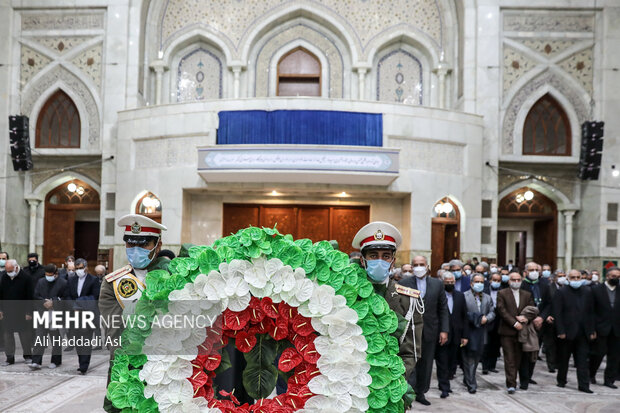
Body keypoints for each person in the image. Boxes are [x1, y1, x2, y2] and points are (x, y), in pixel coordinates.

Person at [99, 214, 170, 412]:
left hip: (169, 367)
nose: (135, 250)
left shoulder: (175, 277)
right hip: (129, 366)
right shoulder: (112, 283)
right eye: (130, 245)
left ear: (158, 244)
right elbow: (116, 329)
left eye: (143, 244)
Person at [352, 222, 422, 380]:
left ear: (393, 261)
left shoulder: (408, 299)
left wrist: (392, 381)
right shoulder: (347, 293)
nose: (379, 260)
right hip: (351, 381)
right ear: (363, 261)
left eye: (386, 256)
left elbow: (411, 352)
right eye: (373, 255)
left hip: (389, 382)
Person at [405, 255, 449, 406]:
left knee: (427, 363)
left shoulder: (437, 284)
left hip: (430, 330)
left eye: (421, 264)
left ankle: (421, 392)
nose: (419, 267)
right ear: (411, 267)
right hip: (410, 331)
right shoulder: (404, 283)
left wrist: (444, 330)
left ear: (427, 266)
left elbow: (443, 308)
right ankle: (408, 393)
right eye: (415, 264)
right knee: (411, 363)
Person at [553, 269, 596, 393]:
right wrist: (560, 330)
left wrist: (592, 330)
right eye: (573, 277)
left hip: (583, 332)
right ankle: (561, 380)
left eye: (578, 277)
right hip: (566, 332)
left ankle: (584, 385)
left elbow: (591, 312)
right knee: (564, 359)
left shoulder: (587, 291)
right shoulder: (561, 292)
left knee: (582, 360)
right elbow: (558, 313)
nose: (576, 280)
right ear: (568, 279)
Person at [496, 271, 535, 394]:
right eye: (514, 280)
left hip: (522, 332)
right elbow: (502, 311)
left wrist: (526, 318)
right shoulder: (502, 293)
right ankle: (511, 384)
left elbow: (532, 309)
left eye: (518, 280)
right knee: (509, 359)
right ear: (509, 281)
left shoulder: (527, 294)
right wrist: (514, 323)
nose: (516, 282)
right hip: (507, 331)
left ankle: (517, 379)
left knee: (519, 358)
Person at [435, 271, 468, 398]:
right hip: (442, 334)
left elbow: (464, 317)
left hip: (456, 335)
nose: (449, 284)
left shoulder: (460, 296)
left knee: (452, 362)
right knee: (442, 361)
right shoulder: (439, 295)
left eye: (451, 282)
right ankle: (444, 387)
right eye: (447, 282)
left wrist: (465, 335)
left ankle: (446, 381)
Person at [64, 258, 100, 374]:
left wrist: (80, 306)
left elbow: (94, 296)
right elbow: (68, 296)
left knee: (86, 340)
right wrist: (74, 307)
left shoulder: (93, 280)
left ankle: (84, 365)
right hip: (74, 315)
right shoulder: (71, 280)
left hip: (87, 314)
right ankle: (81, 361)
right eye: (77, 269)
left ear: (86, 268)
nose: (78, 270)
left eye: (80, 268)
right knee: (77, 340)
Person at [520, 262, 552, 387]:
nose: (534, 272)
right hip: (526, 323)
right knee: (525, 352)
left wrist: (542, 317)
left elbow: (548, 303)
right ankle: (523, 379)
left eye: (536, 270)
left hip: (540, 323)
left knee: (534, 351)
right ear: (526, 272)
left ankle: (529, 376)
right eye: (531, 270)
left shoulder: (544, 285)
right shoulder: (522, 285)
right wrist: (530, 318)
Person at [462, 274, 495, 393]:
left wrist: (487, 318)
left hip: (482, 331)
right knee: (468, 358)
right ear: (471, 283)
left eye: (481, 282)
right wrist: (476, 318)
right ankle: (471, 383)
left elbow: (492, 311)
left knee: (476, 358)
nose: (479, 284)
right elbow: (463, 313)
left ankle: (468, 378)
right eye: (477, 281)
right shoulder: (464, 296)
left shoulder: (487, 297)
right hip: (469, 330)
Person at [30, 264, 67, 370]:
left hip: (56, 314)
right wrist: (44, 302)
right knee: (39, 338)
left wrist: (54, 302)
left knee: (56, 339)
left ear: (55, 274)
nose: (48, 277)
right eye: (46, 274)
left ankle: (56, 361)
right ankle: (36, 361)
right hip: (42, 313)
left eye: (50, 275)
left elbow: (65, 298)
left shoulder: (63, 283)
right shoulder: (41, 282)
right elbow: (36, 295)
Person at [589, 266, 619, 388]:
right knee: (598, 354)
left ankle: (609, 380)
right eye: (613, 276)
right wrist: (592, 329)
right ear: (607, 276)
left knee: (615, 356)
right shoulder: (596, 290)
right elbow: (590, 311)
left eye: (618, 277)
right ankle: (591, 374)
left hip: (617, 329)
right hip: (601, 328)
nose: (616, 279)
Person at [0, 259, 33, 365]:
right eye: (7, 271)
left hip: (22, 311)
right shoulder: (4, 277)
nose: (9, 273)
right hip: (7, 310)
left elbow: (30, 296)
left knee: (24, 335)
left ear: (16, 267)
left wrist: (29, 312)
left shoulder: (26, 278)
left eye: (10, 271)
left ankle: (27, 355)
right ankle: (9, 357)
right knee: (7, 335)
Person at [482, 271, 503, 374]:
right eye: (494, 280)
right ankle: (485, 366)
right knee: (487, 344)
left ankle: (492, 366)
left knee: (495, 345)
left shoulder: (503, 291)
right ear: (490, 280)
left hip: (499, 320)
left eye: (498, 281)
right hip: (487, 319)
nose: (496, 282)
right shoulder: (485, 291)